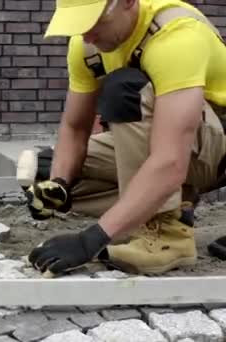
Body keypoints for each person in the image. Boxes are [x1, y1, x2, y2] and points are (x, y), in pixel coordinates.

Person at [20, 0, 226, 277]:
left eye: (95, 22)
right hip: (173, 146)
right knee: (43, 170)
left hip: (215, 152)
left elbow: (170, 161)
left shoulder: (177, 36)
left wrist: (90, 240)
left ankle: (168, 237)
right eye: (79, 24)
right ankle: (166, 205)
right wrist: (59, 185)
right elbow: (75, 128)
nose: (87, 35)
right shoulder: (87, 45)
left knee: (125, 89)